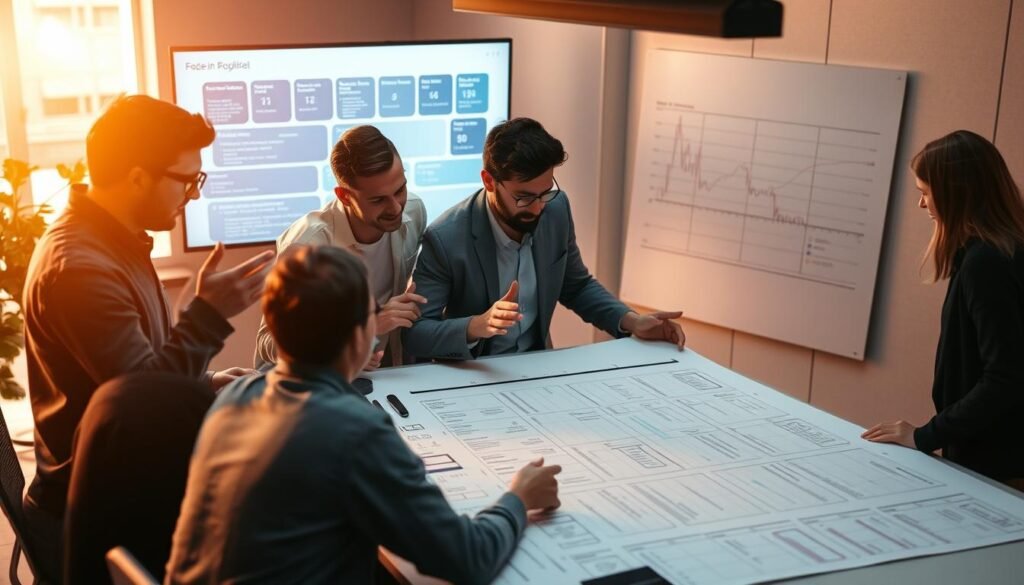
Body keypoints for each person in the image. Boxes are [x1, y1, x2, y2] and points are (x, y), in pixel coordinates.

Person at [166, 245, 562, 584]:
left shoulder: (235, 396)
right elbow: (466, 559)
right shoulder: (354, 431)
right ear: (361, 333)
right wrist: (517, 498)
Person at [21, 94, 273, 581]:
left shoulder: (117, 240)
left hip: (122, 483)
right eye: (186, 180)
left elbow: (144, 368)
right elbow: (144, 407)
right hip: (96, 514)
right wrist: (208, 317)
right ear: (138, 176)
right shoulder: (79, 269)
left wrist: (212, 379)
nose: (194, 194)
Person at [403, 117, 685, 360]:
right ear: (489, 181)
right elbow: (416, 334)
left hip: (538, 368)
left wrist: (632, 322)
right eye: (524, 197)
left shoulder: (556, 209)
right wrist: (477, 325)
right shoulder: (446, 238)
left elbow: (575, 286)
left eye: (545, 192)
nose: (538, 207)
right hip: (473, 375)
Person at [863, 130, 1024, 488]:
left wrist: (925, 436)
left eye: (925, 193)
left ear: (956, 194)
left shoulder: (986, 263)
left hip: (997, 467)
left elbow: (1006, 376)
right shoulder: (1004, 250)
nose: (923, 205)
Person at [254, 125, 426, 370]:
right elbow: (268, 343)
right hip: (305, 379)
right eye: (377, 200)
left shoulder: (414, 211)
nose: (396, 208)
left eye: (400, 190)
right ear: (344, 196)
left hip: (378, 371)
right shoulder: (305, 246)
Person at [64, 372, 215, 584]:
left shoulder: (110, 399)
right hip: (63, 503)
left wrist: (208, 378)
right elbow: (142, 380)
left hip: (92, 517)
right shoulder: (129, 400)